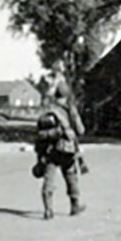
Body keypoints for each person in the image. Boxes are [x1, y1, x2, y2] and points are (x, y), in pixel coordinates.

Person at [35, 80, 86, 220]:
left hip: (50, 151)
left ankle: (48, 209)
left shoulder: (48, 110)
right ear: (67, 96)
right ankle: (75, 206)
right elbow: (81, 130)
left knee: (49, 179)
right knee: (71, 177)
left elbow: (39, 133)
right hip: (67, 150)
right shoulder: (70, 110)